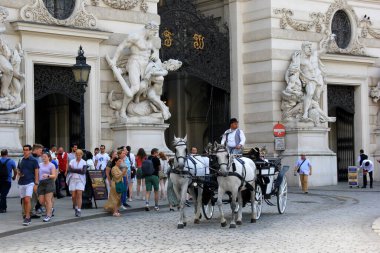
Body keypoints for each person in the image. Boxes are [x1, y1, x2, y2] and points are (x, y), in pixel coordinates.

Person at [18, 144, 39, 226]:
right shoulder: (21, 159)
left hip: (30, 182)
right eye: (24, 150)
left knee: (27, 199)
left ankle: (27, 217)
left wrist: (36, 183)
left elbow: (37, 171)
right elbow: (19, 169)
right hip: (21, 182)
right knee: (24, 200)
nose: (25, 151)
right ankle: (26, 214)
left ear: (30, 151)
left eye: (27, 150)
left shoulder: (34, 160)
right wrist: (19, 173)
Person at [66, 149, 87, 217]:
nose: (78, 156)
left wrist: (74, 170)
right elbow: (69, 169)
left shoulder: (84, 162)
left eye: (79, 155)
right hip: (72, 179)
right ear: (75, 155)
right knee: (73, 196)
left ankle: (79, 209)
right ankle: (75, 206)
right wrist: (78, 170)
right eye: (77, 155)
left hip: (80, 180)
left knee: (79, 194)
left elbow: (83, 172)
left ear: (82, 155)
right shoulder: (72, 161)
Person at [37, 153, 56, 222]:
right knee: (41, 201)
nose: (43, 158)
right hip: (41, 183)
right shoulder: (40, 165)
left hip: (49, 182)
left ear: (49, 157)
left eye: (45, 157)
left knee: (48, 200)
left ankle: (48, 215)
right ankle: (50, 209)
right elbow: (37, 173)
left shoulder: (52, 165)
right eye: (42, 157)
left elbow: (54, 175)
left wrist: (48, 175)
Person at [0, 149, 16, 213]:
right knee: (3, 195)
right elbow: (15, 170)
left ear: (1, 154)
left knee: (1, 195)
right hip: (7, 180)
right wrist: (14, 177)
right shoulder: (11, 161)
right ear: (7, 154)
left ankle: (2, 207)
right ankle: (3, 208)